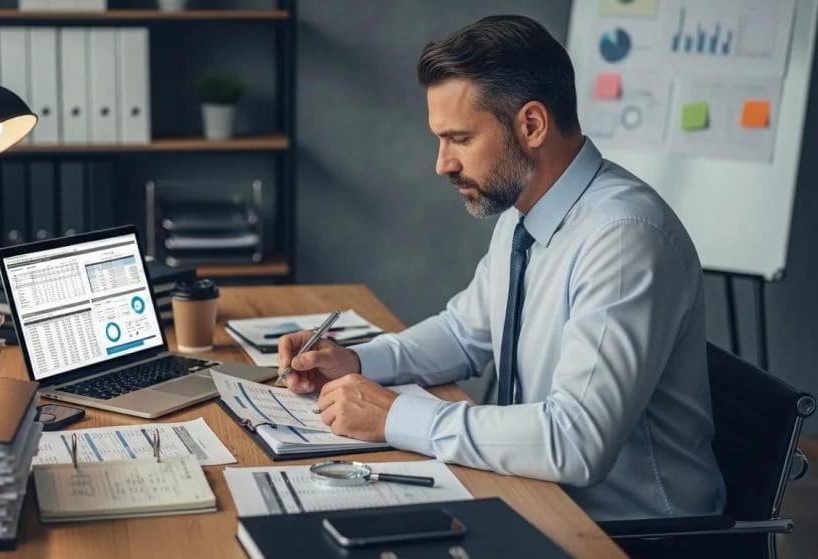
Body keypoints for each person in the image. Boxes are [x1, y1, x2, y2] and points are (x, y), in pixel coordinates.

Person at [277, 15, 726, 521]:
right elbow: (466, 332)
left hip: (632, 534)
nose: (442, 164)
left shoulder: (623, 238)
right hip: (535, 494)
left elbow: (576, 442)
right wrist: (355, 363)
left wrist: (395, 415)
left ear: (531, 125)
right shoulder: (524, 211)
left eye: (460, 139)